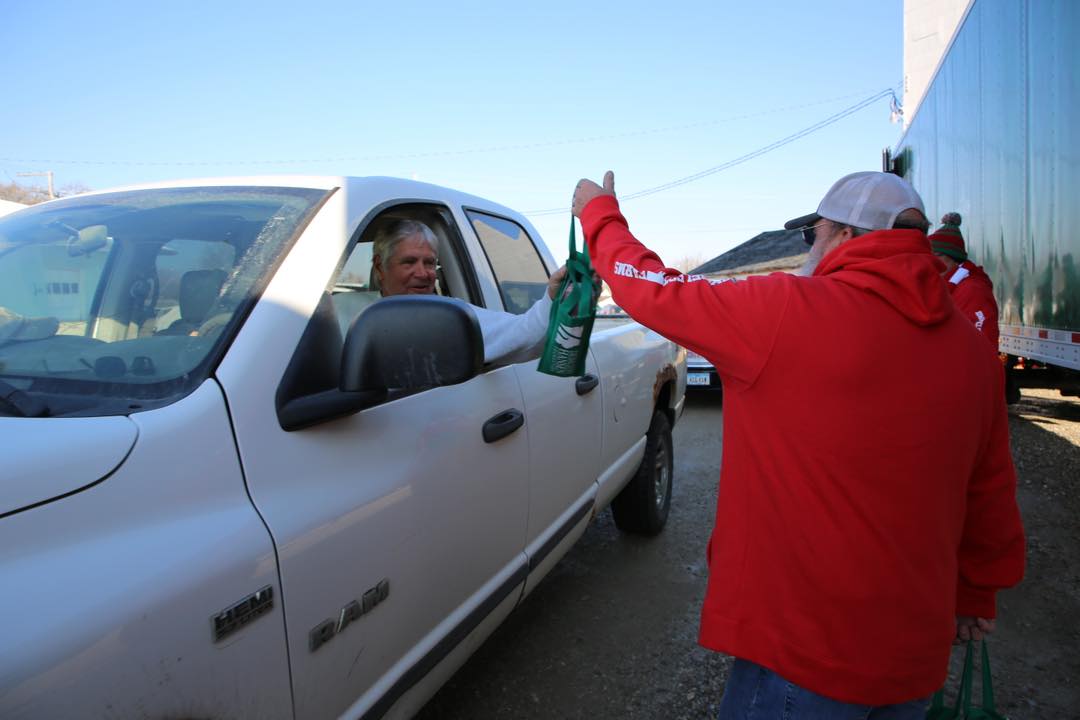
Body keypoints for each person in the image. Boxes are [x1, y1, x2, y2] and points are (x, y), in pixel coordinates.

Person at [571, 170, 1025, 718]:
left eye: (815, 234)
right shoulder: (971, 352)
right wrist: (976, 594)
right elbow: (990, 489)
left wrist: (600, 214)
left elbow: (654, 288)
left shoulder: (786, 311)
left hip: (802, 657)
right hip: (915, 661)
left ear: (849, 237)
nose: (810, 247)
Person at [371, 218, 566, 365]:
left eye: (429, 263)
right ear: (380, 267)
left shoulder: (450, 317)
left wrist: (554, 297)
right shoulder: (347, 316)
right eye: (409, 262)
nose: (423, 273)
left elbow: (526, 335)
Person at [929, 212, 1000, 349]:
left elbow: (981, 344)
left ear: (952, 257)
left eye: (935, 256)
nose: (930, 262)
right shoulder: (950, 287)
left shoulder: (972, 290)